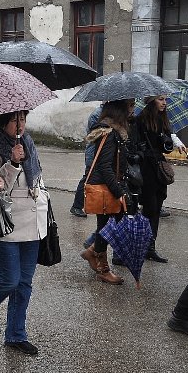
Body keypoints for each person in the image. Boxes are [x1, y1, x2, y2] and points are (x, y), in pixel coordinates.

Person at [0, 110, 48, 356]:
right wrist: (11, 162)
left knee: (24, 284)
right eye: (15, 120)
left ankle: (15, 334)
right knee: (8, 280)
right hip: (8, 225)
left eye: (23, 118)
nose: (20, 124)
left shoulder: (28, 143)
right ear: (3, 122)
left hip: (32, 224)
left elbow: (37, 177)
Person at [79, 100, 132, 285]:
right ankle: (102, 268)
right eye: (130, 105)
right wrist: (119, 192)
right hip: (106, 187)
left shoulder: (115, 131)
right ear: (120, 109)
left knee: (108, 226)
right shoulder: (109, 132)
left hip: (109, 185)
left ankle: (93, 251)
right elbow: (105, 166)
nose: (132, 109)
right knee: (109, 227)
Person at [134, 95, 173, 263]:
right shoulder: (141, 119)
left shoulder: (163, 120)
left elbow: (166, 148)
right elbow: (135, 143)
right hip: (146, 169)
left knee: (157, 208)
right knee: (149, 208)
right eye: (160, 99)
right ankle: (141, 245)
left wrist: (167, 141)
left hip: (158, 168)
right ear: (152, 101)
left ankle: (150, 248)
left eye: (165, 100)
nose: (164, 103)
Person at [70, 104, 103, 218]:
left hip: (101, 154)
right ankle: (77, 206)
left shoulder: (107, 113)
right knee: (88, 179)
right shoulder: (97, 114)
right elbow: (94, 135)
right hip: (93, 153)